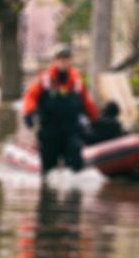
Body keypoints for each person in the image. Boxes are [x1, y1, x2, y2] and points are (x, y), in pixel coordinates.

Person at [21, 47, 99, 175]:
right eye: (61, 59)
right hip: (50, 130)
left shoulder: (76, 80)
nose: (64, 62)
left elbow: (86, 102)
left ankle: (74, 191)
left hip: (71, 129)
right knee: (48, 168)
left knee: (75, 163)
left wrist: (95, 119)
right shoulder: (44, 79)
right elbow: (30, 96)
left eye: (67, 59)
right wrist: (28, 113)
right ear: (55, 61)